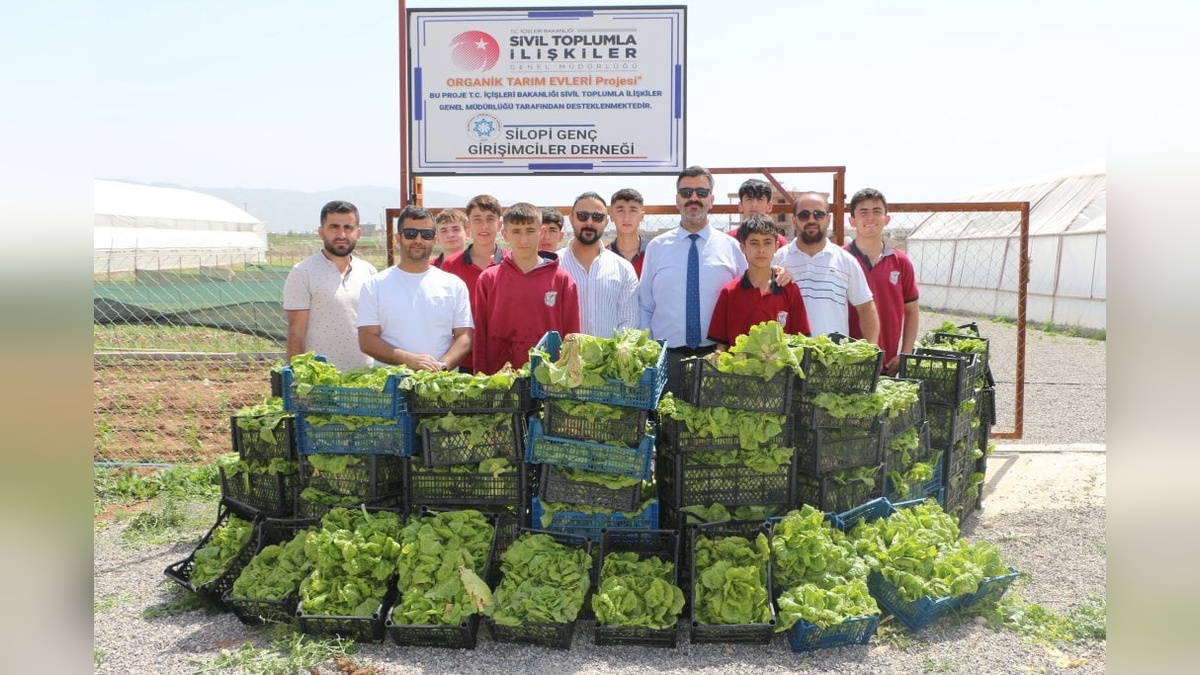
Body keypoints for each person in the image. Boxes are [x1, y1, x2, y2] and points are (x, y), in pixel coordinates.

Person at [638, 165, 748, 391]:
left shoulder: (732, 248)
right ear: (677, 199)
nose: (694, 198)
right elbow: (645, 305)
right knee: (666, 425)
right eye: (686, 193)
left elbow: (745, 298)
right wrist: (650, 353)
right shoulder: (657, 247)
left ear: (712, 199)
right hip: (667, 359)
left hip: (717, 358)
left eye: (702, 192)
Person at [356, 205, 473, 371]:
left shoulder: (454, 285)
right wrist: (409, 360)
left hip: (440, 387)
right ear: (398, 238)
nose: (418, 240)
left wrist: (440, 368)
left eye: (426, 234)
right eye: (411, 234)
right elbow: (367, 339)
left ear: (434, 239)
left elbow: (465, 337)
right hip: (391, 387)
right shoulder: (374, 285)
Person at [473, 202, 580, 374]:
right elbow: (480, 337)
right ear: (505, 234)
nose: (524, 240)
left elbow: (572, 337)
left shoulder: (562, 280)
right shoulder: (488, 279)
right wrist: (481, 378)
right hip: (500, 380)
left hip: (549, 379)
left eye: (530, 231)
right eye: (516, 231)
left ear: (542, 232)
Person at [282, 200, 378, 371]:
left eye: (348, 228)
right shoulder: (303, 272)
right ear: (321, 232)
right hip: (322, 380)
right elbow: (296, 331)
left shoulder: (369, 272)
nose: (341, 234)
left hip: (365, 377)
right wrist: (296, 379)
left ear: (358, 232)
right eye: (334, 227)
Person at [773, 192, 880, 342]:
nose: (811, 220)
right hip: (787, 359)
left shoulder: (846, 261)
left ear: (828, 219)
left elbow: (866, 309)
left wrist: (870, 353)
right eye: (804, 215)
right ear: (795, 219)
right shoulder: (777, 260)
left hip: (832, 360)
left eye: (818, 214)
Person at [845, 188, 919, 375]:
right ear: (852, 221)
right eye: (863, 212)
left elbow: (911, 311)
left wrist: (906, 353)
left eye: (877, 211)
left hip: (887, 364)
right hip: (844, 361)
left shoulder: (901, 261)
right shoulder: (840, 259)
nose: (870, 217)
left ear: (886, 219)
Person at [708, 213, 810, 349]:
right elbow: (721, 346)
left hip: (782, 369)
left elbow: (801, 340)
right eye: (754, 243)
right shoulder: (729, 292)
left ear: (776, 246)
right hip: (737, 369)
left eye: (767, 243)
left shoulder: (790, 289)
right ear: (743, 247)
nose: (761, 250)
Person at [439, 194, 507, 372]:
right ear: (468, 226)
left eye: (490, 219)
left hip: (504, 360)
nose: (484, 226)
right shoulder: (450, 265)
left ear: (499, 225)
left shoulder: (511, 262)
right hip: (463, 359)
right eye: (477, 219)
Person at [558, 191, 639, 336]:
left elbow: (629, 321)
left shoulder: (623, 269)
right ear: (571, 219)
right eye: (582, 216)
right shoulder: (554, 266)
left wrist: (610, 355)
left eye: (597, 217)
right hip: (563, 357)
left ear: (606, 222)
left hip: (610, 358)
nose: (589, 222)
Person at [727, 178, 788, 247]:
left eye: (760, 199)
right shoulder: (728, 240)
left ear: (769, 206)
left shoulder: (779, 242)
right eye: (749, 199)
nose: (754, 204)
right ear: (740, 206)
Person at [607, 187, 650, 277]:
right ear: (611, 216)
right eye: (620, 210)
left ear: (642, 216)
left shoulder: (654, 252)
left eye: (633, 210)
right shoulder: (603, 256)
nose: (626, 218)